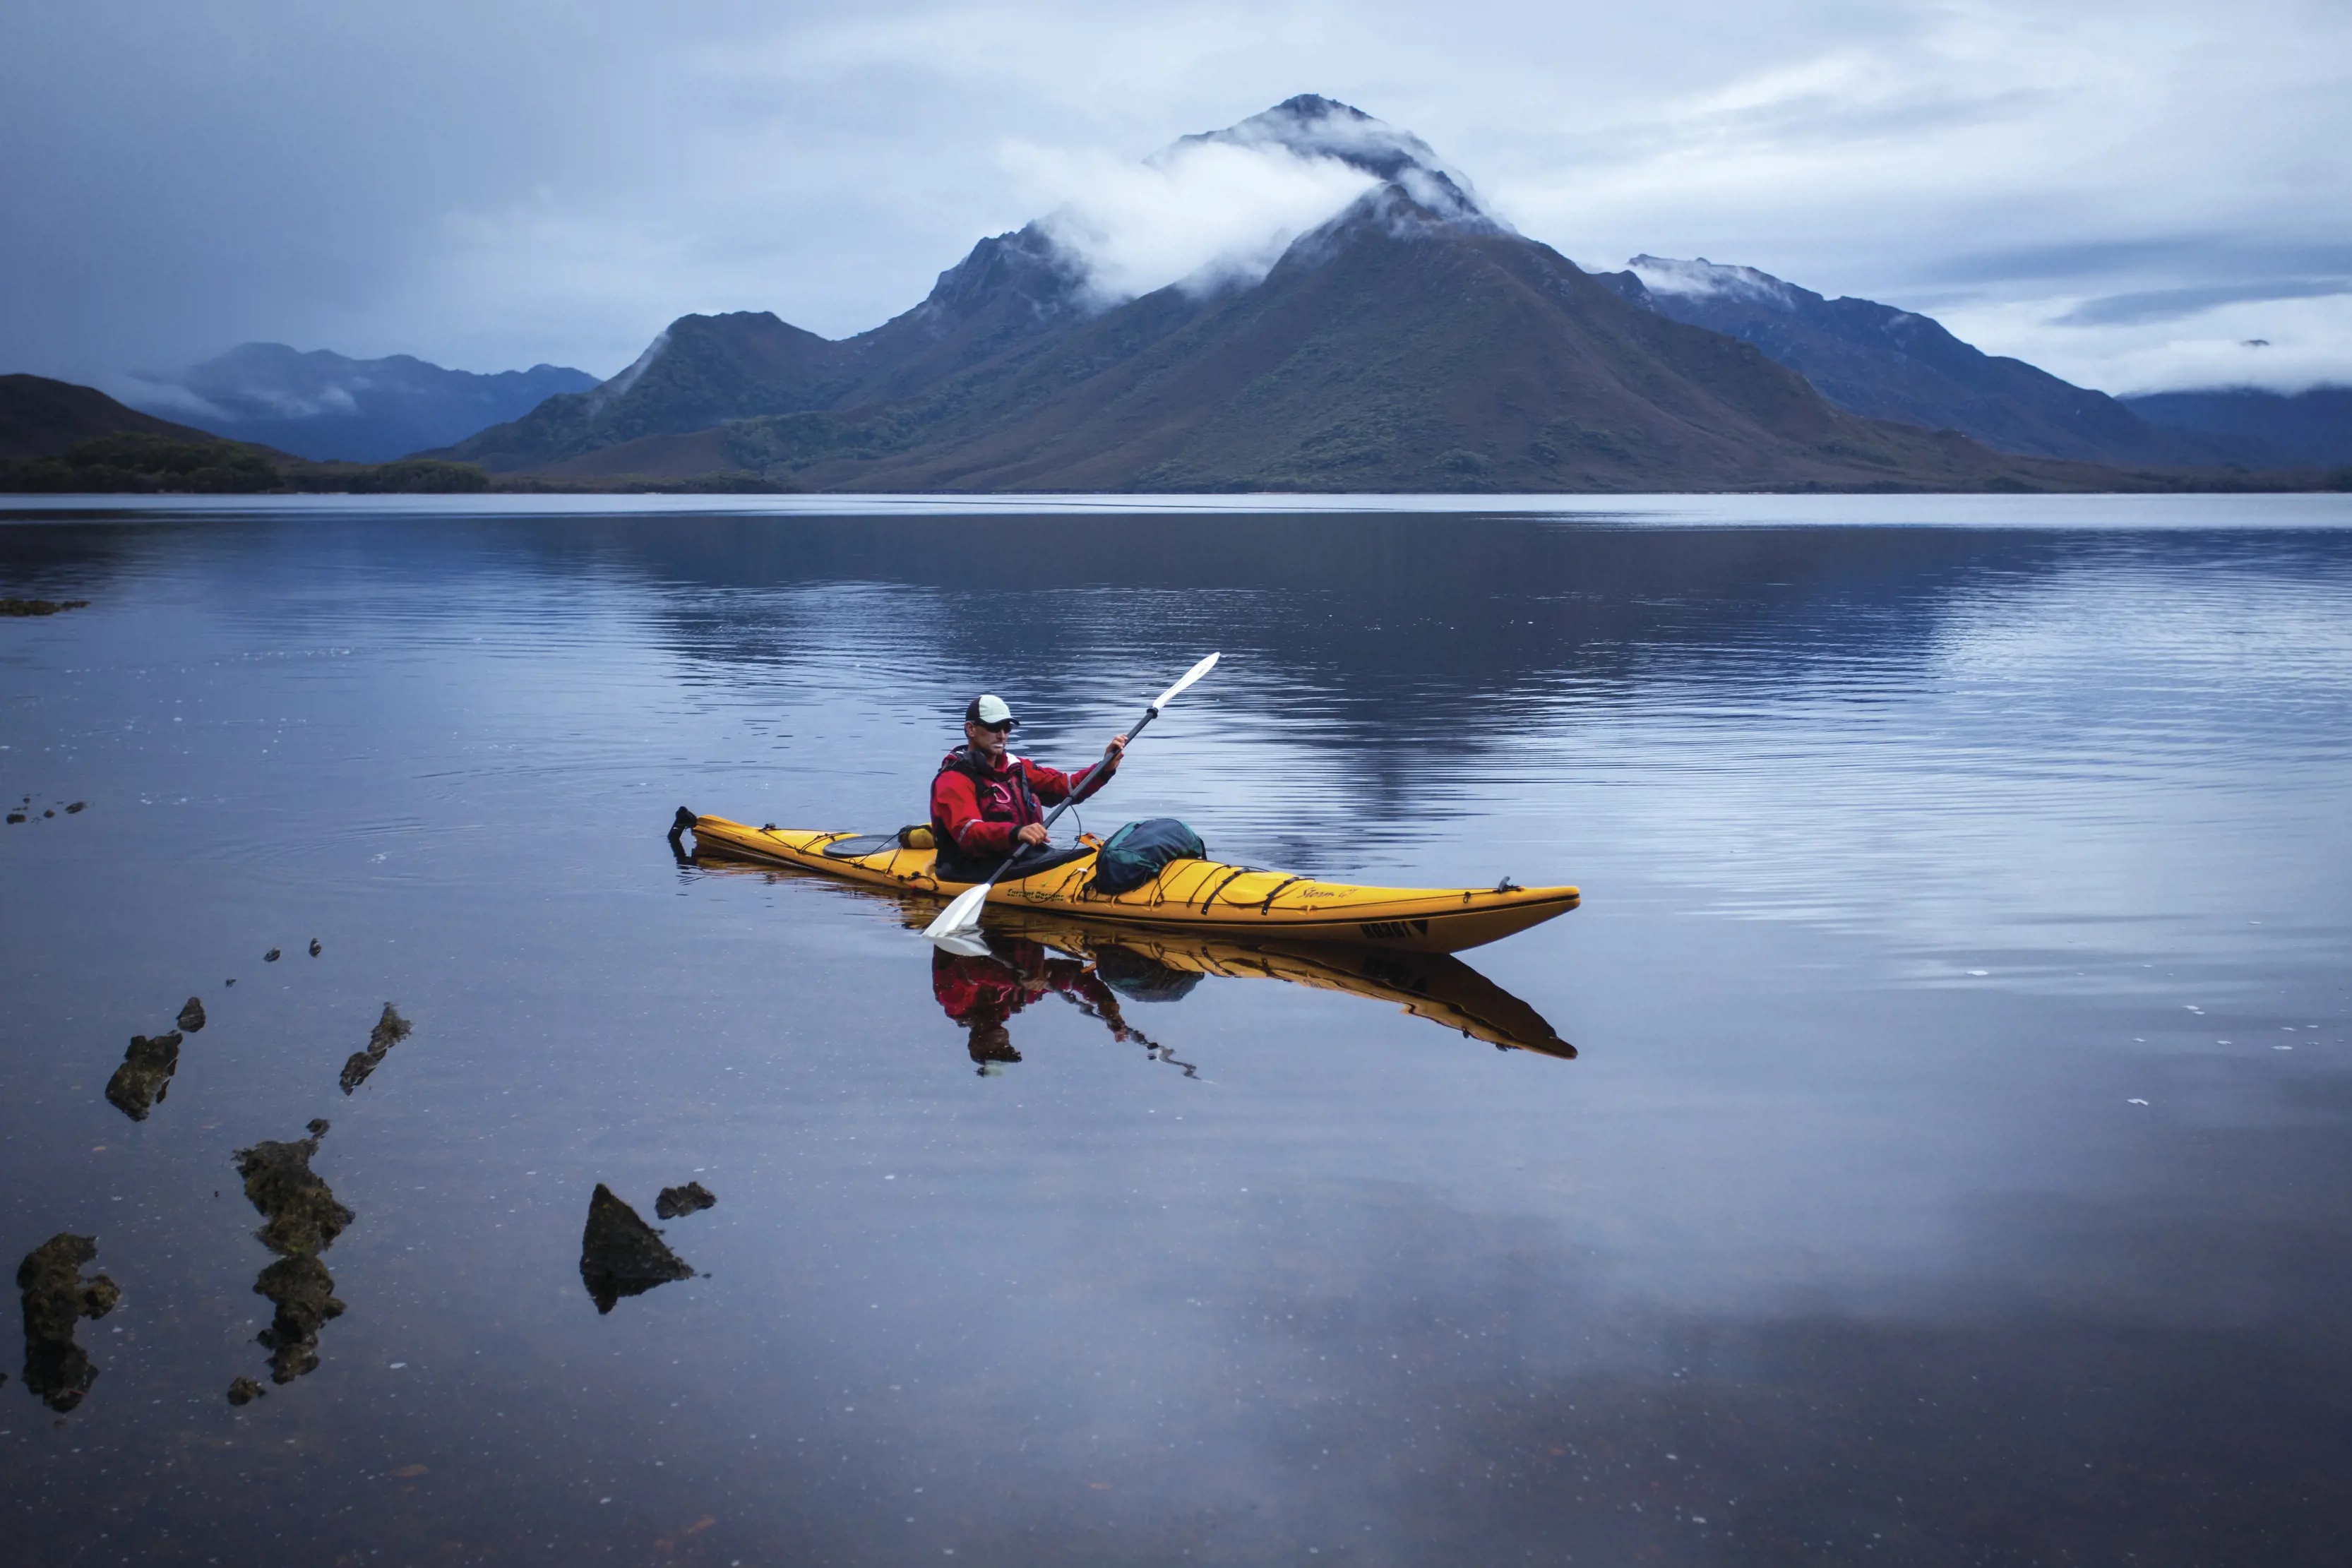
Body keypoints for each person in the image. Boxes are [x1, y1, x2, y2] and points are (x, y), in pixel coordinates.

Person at [929, 693, 1126, 883]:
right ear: (970, 729)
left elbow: (1068, 786)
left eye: (1007, 728)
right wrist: (1016, 832)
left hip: (1024, 857)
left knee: (1098, 853)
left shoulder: (1017, 768)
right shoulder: (953, 779)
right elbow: (968, 833)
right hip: (971, 868)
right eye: (994, 727)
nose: (1002, 735)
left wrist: (1104, 767)